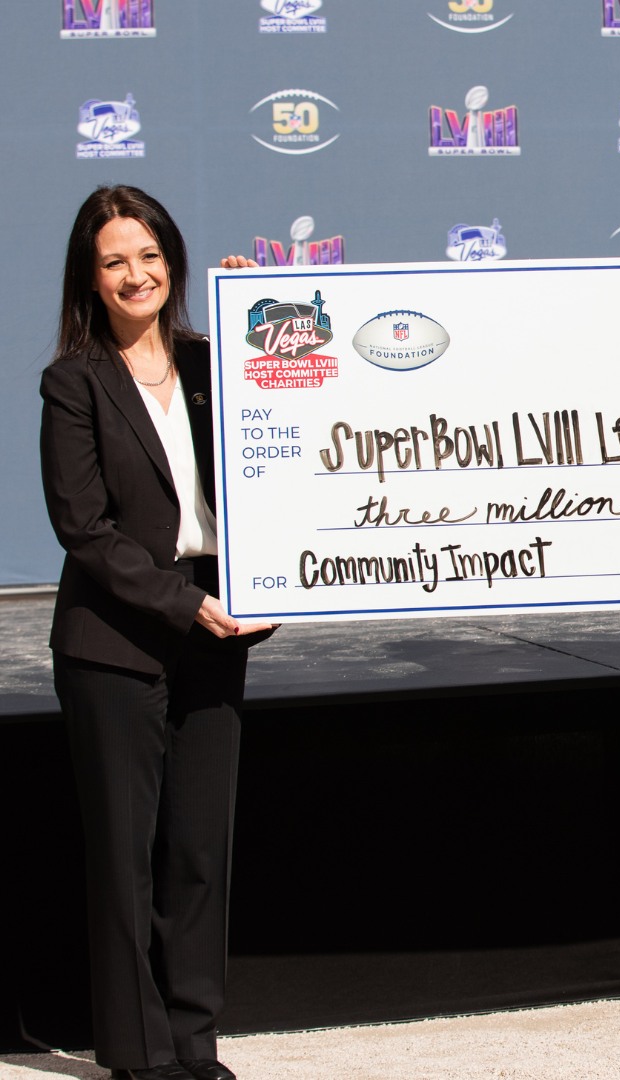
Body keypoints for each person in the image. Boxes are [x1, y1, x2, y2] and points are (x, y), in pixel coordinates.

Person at [40, 185, 272, 1080]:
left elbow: (301, 411)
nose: (136, 275)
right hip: (115, 639)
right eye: (114, 261)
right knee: (125, 860)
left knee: (199, 856)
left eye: (149, 255)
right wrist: (183, 606)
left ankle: (193, 1046)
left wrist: (263, 314)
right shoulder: (74, 383)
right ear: (91, 281)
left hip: (219, 624)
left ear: (171, 260)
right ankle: (140, 1059)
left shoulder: (215, 365)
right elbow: (85, 529)